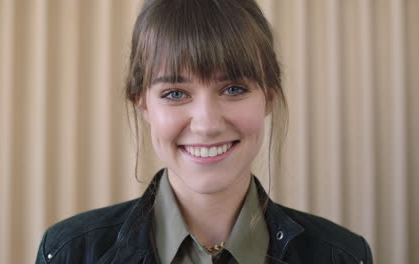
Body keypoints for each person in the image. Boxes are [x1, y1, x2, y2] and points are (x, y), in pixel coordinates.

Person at [36, 0, 373, 263]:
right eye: (175, 94)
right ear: (143, 104)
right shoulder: (70, 252)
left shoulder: (341, 255)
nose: (208, 124)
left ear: (268, 97)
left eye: (234, 89)